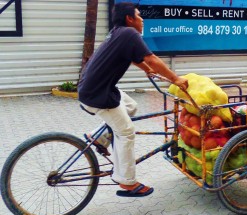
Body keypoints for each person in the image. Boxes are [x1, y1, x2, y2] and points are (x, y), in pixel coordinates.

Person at [78, 2, 188, 197]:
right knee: (127, 132)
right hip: (98, 94)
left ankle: (99, 137)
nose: (142, 19)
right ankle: (127, 181)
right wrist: (176, 79)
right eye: (139, 15)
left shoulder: (118, 33)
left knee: (130, 105)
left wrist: (148, 71)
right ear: (129, 18)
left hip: (95, 88)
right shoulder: (129, 34)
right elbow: (151, 58)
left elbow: (133, 58)